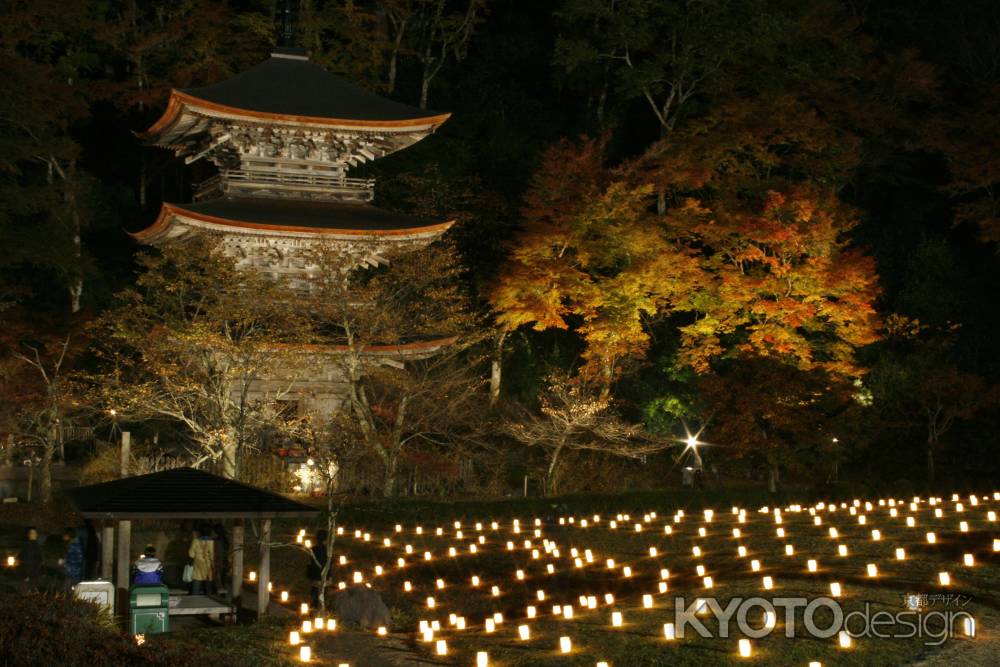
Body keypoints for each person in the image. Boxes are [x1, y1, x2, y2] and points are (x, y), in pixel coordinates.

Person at [187, 524, 215, 595]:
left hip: (197, 564)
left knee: (196, 583)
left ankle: (195, 600)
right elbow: (212, 556)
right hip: (208, 565)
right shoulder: (212, 542)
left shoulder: (195, 541)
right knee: (208, 586)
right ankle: (209, 600)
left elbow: (191, 554)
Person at [306, 529, 328, 608]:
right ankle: (321, 606)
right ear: (326, 540)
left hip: (315, 574)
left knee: (314, 590)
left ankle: (313, 605)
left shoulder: (313, 549)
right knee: (323, 591)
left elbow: (311, 560)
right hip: (323, 574)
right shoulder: (327, 550)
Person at [211, 524, 229, 595]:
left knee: (219, 577)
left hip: (219, 560)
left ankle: (219, 592)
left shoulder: (218, 540)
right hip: (222, 559)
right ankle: (221, 593)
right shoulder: (224, 539)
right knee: (222, 577)